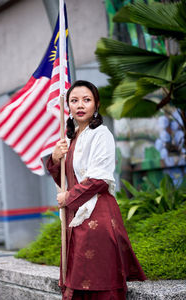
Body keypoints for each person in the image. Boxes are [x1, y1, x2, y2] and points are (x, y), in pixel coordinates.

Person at [46, 80, 146, 300]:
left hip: (97, 216)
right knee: (76, 283)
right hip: (75, 218)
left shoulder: (102, 135)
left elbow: (99, 179)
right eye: (74, 100)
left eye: (86, 100)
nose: (80, 105)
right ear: (68, 107)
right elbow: (66, 177)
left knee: (97, 283)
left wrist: (68, 197)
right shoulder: (70, 139)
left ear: (96, 104)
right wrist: (55, 157)